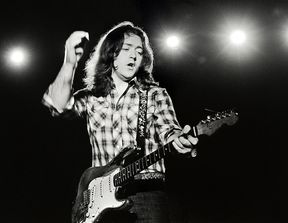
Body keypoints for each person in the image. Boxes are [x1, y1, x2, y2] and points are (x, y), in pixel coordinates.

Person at [42, 21, 198, 223]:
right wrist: (70, 61)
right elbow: (57, 104)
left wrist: (179, 139)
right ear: (112, 55)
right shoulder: (91, 97)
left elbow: (170, 130)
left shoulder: (154, 94)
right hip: (98, 202)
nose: (134, 55)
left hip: (146, 195)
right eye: (126, 49)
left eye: (139, 51)